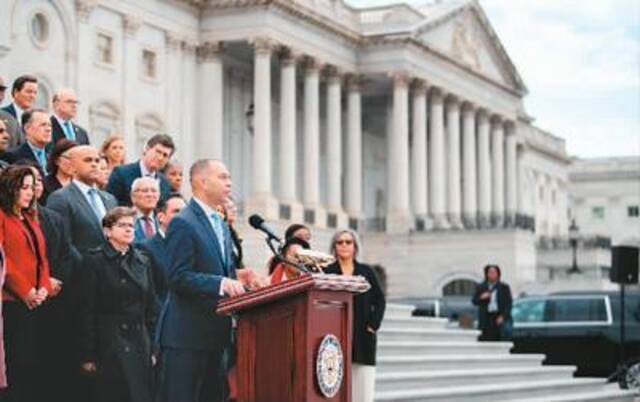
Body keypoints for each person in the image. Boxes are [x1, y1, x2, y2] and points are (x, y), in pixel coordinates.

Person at [157, 159, 262, 402]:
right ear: (203, 182)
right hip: (187, 337)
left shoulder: (221, 224)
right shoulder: (183, 222)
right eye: (223, 177)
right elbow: (178, 277)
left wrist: (237, 276)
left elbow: (213, 269)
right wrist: (222, 283)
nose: (230, 183)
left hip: (216, 335)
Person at [79, 207, 159, 402]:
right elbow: (86, 309)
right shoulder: (94, 261)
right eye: (122, 225)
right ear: (107, 231)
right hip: (109, 341)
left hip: (140, 339)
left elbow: (151, 307)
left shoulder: (142, 260)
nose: (128, 229)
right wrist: (88, 354)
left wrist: (153, 347)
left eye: (131, 225)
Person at [21, 163, 78, 402]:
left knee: (51, 360)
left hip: (53, 298)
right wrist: (36, 284)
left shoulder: (53, 218)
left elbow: (68, 254)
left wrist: (55, 280)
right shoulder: (12, 217)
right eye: (28, 184)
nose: (35, 188)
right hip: (23, 298)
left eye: (38, 183)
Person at [0, 166, 55, 402]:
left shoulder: (30, 217)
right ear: (11, 188)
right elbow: (4, 260)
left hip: (37, 301)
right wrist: (26, 291)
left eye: (32, 188)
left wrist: (43, 287)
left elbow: (42, 258)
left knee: (35, 364)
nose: (29, 193)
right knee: (16, 365)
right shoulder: (2, 216)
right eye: (24, 188)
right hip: (12, 302)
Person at [324, 229, 386, 402]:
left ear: (355, 247)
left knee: (363, 390)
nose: (344, 245)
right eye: (340, 242)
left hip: (363, 335)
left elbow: (380, 300)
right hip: (335, 336)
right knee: (335, 387)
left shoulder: (366, 271)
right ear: (334, 247)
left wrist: (373, 325)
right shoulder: (327, 272)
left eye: (348, 242)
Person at [137, 193, 186, 303]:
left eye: (185, 211)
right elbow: (149, 293)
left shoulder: (192, 244)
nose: (183, 216)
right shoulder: (145, 248)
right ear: (161, 217)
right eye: (176, 211)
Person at [106, 134, 174, 206]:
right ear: (147, 149)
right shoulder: (121, 174)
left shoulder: (164, 184)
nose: (160, 158)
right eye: (158, 152)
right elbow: (111, 206)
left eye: (165, 155)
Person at [1, 109, 52, 175]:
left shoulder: (51, 157)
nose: (48, 129)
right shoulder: (12, 156)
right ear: (27, 128)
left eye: (50, 125)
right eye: (43, 125)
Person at [472, 264, 513, 341]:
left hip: (498, 316)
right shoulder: (481, 286)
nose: (492, 274)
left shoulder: (504, 287)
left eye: (494, 272)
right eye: (490, 272)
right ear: (486, 274)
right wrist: (481, 297)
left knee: (500, 338)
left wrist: (503, 316)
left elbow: (509, 304)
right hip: (486, 318)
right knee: (485, 339)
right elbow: (474, 301)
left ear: (498, 274)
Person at [1, 75, 38, 147]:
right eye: (29, 92)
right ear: (16, 92)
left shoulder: (37, 119)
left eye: (35, 93)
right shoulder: (2, 115)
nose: (32, 96)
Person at [42, 139, 77, 203]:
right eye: (69, 158)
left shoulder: (79, 185)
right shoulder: (44, 185)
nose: (73, 162)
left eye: (76, 158)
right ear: (57, 160)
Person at [130, 177, 161, 241]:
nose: (150, 195)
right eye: (145, 191)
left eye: (154, 191)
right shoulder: (126, 221)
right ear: (133, 196)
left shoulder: (162, 222)